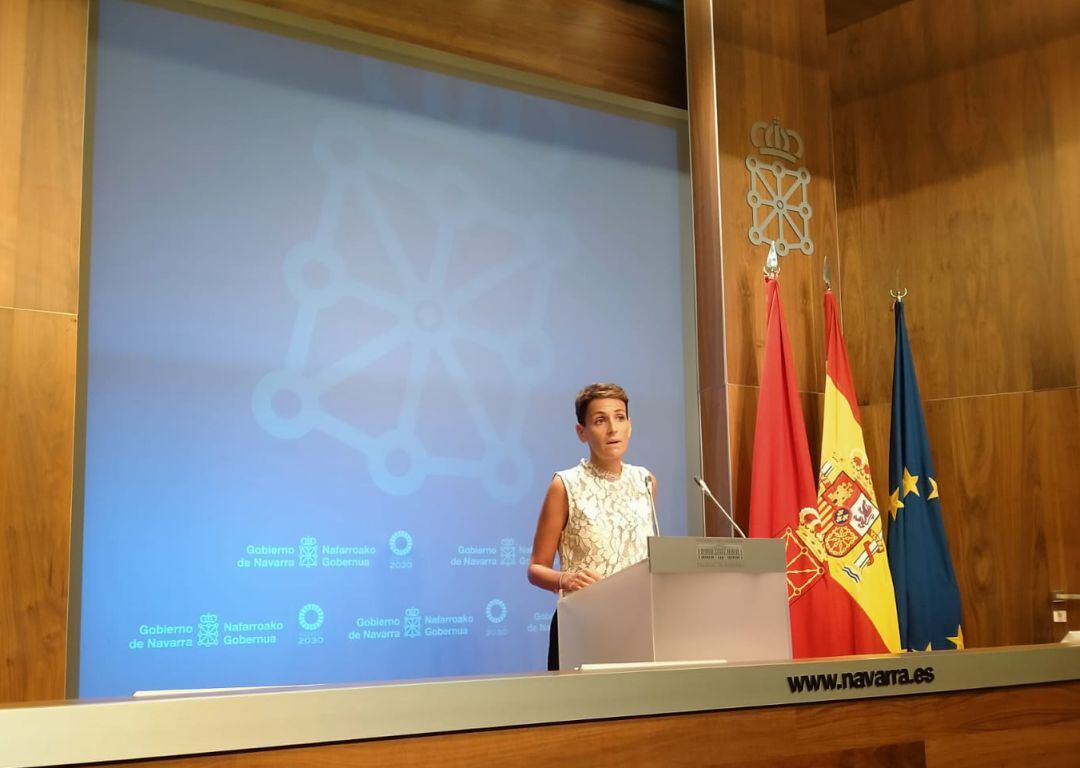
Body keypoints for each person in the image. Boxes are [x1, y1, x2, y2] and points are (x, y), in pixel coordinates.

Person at [527, 382, 657, 670]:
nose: (612, 428)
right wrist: (566, 579)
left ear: (630, 425)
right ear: (581, 432)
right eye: (600, 420)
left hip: (637, 626)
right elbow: (535, 568)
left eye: (619, 417)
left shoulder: (646, 482)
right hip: (582, 625)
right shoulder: (564, 484)